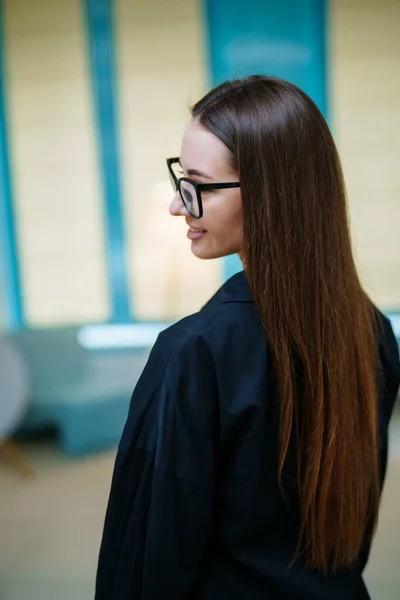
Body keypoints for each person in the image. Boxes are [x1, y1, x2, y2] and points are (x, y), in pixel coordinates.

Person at [94, 76, 400, 599]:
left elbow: (149, 561)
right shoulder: (372, 329)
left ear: (267, 192)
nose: (176, 206)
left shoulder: (192, 353)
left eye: (196, 184)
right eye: (179, 178)